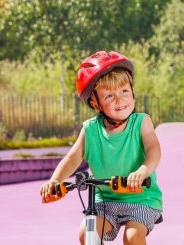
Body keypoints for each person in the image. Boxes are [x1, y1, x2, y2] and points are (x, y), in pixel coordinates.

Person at [39, 51, 163, 245]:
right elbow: (72, 159)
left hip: (141, 198)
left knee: (132, 238)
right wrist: (56, 180)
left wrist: (143, 171)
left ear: (132, 92)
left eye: (124, 91)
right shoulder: (90, 130)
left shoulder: (141, 122)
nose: (120, 99)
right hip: (104, 200)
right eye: (110, 96)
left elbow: (154, 149)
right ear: (95, 103)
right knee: (86, 233)